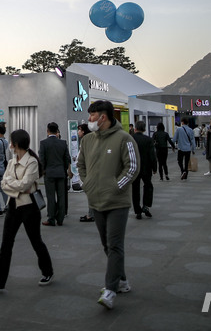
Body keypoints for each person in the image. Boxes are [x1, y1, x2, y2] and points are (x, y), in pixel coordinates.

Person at [78, 100, 139, 310]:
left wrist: (115, 187)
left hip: (117, 203)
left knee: (114, 245)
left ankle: (110, 289)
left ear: (103, 117)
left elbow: (132, 168)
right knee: (107, 245)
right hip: (95, 201)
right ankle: (121, 281)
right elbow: (80, 164)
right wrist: (86, 184)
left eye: (92, 116)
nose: (89, 120)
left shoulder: (125, 139)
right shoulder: (87, 140)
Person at [0, 129, 54, 293]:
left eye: (12, 142)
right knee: (6, 244)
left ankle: (47, 271)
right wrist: (16, 187)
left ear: (17, 144)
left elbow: (25, 184)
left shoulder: (32, 162)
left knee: (36, 241)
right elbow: (4, 184)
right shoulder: (12, 162)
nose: (10, 145)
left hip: (29, 207)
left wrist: (13, 185)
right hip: (13, 205)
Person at [39, 122, 72, 227]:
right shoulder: (63, 143)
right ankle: (60, 218)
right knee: (61, 196)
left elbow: (41, 159)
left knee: (50, 196)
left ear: (47, 131)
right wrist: (65, 169)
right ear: (57, 131)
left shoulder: (43, 143)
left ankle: (51, 218)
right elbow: (67, 158)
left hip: (49, 173)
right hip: (61, 173)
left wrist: (43, 171)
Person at [131, 121, 156, 219]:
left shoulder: (131, 139)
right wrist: (154, 167)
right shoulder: (148, 140)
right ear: (144, 129)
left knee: (135, 189)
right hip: (146, 167)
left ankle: (137, 211)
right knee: (148, 186)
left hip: (134, 168)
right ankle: (146, 205)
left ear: (135, 128)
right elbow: (152, 155)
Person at [77, 123, 97, 223]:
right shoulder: (91, 140)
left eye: (79, 130)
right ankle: (92, 213)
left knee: (90, 193)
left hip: (89, 171)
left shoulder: (86, 141)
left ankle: (91, 214)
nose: (78, 132)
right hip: (91, 170)